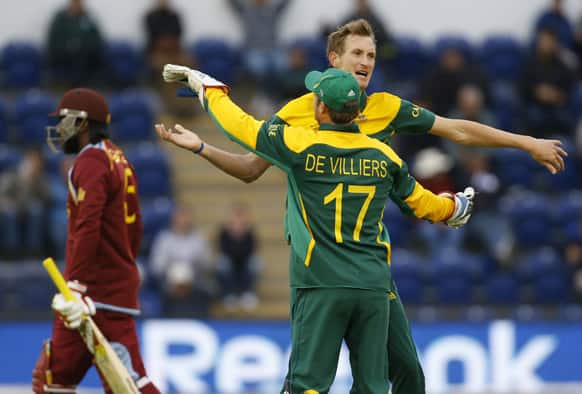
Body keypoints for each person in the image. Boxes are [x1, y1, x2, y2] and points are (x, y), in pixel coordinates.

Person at [156, 19, 567, 394]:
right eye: (357, 53)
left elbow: (456, 128)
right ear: (334, 59)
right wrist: (204, 148)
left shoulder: (385, 106)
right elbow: (250, 169)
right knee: (341, 381)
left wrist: (526, 142)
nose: (366, 61)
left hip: (370, 269)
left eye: (371, 55)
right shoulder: (298, 114)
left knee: (409, 374)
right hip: (323, 267)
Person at [158, 64, 475, 393]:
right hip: (373, 286)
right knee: (373, 386)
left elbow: (239, 126)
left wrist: (210, 90)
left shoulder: (299, 144)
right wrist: (455, 208)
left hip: (322, 282)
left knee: (307, 384)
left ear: (321, 107)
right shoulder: (385, 157)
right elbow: (424, 205)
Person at [32, 88, 160, 393]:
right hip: (110, 288)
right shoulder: (119, 158)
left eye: (65, 120)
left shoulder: (91, 161)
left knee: (125, 384)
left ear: (83, 123)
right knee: (59, 380)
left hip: (90, 294)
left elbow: (88, 226)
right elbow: (135, 229)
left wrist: (76, 283)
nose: (60, 129)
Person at [149, 204, 213, 317]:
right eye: (180, 217)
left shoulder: (198, 239)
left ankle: (197, 315)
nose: (183, 220)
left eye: (185, 217)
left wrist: (195, 265)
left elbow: (207, 264)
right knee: (177, 275)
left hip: (194, 279)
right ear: (174, 219)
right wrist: (172, 270)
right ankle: (169, 315)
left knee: (205, 286)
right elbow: (157, 265)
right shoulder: (164, 238)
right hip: (169, 279)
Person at [0, 148, 51, 259]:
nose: (35, 163)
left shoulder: (41, 178)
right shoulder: (12, 174)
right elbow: (3, 195)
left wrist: (31, 180)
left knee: (36, 210)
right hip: (13, 207)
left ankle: (33, 251)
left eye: (37, 161)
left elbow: (46, 198)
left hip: (30, 209)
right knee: (10, 213)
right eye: (32, 160)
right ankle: (11, 251)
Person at [46, 0, 104, 86]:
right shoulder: (60, 19)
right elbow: (53, 41)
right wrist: (69, 47)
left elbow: (96, 40)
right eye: (74, 2)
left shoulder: (89, 18)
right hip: (64, 57)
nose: (77, 5)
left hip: (85, 58)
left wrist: (82, 47)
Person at [217, 202, 261, 311]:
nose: (238, 221)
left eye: (240, 218)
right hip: (230, 263)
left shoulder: (249, 233)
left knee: (256, 263)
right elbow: (223, 250)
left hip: (244, 263)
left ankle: (247, 292)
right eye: (235, 218)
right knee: (222, 263)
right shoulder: (224, 233)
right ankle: (229, 294)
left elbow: (251, 251)